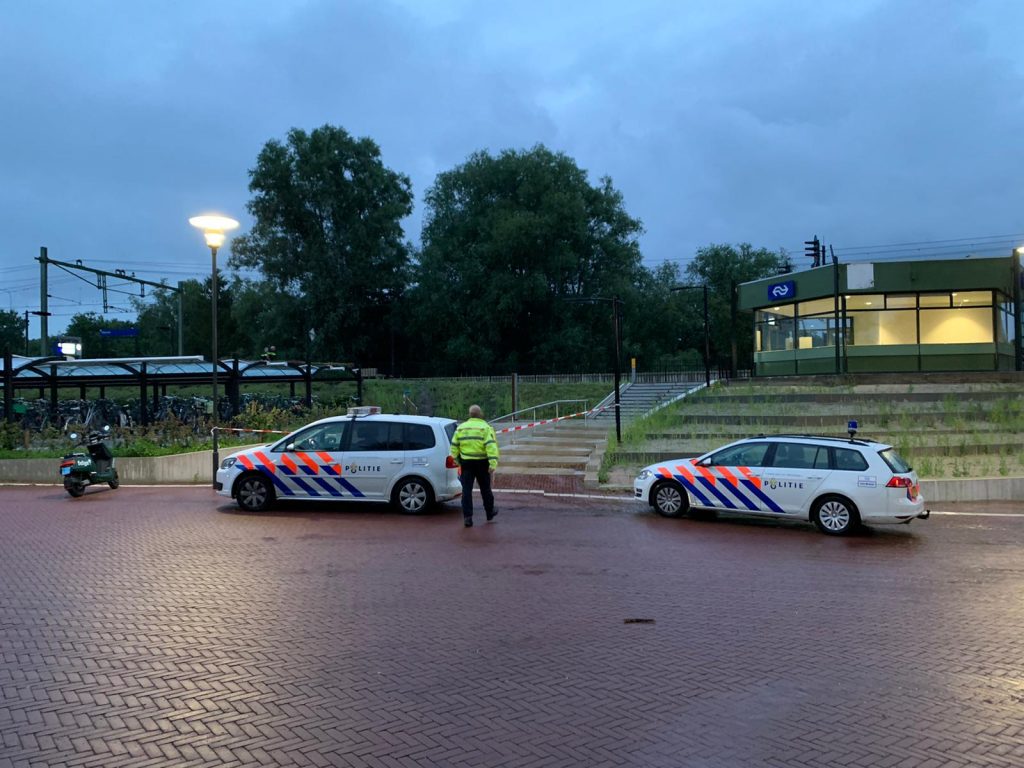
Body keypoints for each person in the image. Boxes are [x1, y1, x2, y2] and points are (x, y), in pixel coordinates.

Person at [450, 404, 499, 527]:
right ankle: (489, 512)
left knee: (466, 490)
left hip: (466, 463)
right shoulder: (485, 428)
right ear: (480, 414)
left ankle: (467, 518)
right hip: (482, 463)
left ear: (470, 414)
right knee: (485, 489)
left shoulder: (461, 428)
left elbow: (454, 446)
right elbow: (491, 446)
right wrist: (493, 463)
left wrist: (457, 461)